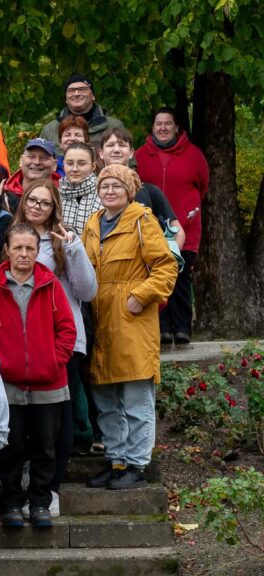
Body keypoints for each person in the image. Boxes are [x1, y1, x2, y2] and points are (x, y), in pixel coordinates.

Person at [81, 165, 177, 490]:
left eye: (116, 186)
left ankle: (137, 464)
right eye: (104, 185)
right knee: (106, 398)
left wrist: (141, 295)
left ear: (129, 190)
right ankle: (116, 460)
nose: (109, 191)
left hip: (132, 319)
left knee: (136, 399)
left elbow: (166, 266)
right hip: (100, 319)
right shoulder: (92, 224)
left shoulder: (142, 220)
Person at [0, 223, 76, 529]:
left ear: (37, 251)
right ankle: (10, 502)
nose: (24, 254)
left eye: (30, 248)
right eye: (18, 247)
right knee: (11, 447)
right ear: (7, 249)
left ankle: (40, 504)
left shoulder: (50, 285)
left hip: (49, 384)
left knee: (45, 447)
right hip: (6, 385)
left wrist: (53, 361)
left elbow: (67, 330)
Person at [11, 179, 98, 505]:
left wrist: (74, 250)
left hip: (62, 340)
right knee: (23, 417)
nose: (36, 206)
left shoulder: (65, 239)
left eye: (44, 202)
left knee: (59, 418)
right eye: (32, 199)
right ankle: (25, 480)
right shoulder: (14, 237)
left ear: (53, 208)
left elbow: (88, 291)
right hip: (20, 342)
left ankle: (51, 489)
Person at [135, 107, 209, 345]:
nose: (163, 128)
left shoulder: (194, 154)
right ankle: (163, 328)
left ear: (177, 127)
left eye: (168, 124)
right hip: (151, 228)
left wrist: (188, 211)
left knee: (181, 277)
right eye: (159, 124)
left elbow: (203, 184)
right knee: (156, 274)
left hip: (184, 226)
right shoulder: (141, 155)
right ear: (153, 127)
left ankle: (183, 328)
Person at [99, 127, 186, 253]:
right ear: (101, 153)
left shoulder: (150, 191)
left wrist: (168, 264)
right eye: (110, 145)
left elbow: (178, 231)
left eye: (122, 145)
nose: (116, 150)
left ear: (131, 152)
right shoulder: (93, 191)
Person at [40, 74, 125, 154]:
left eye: (82, 89)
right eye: (71, 90)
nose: (76, 94)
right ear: (66, 98)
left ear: (93, 96)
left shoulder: (114, 126)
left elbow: (129, 165)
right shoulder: (50, 130)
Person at [3, 138, 59, 208]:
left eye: (44, 158)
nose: (37, 162)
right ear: (21, 160)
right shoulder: (4, 198)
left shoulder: (63, 196)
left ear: (54, 165)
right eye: (31, 157)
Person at [59, 143, 102, 233]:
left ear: (93, 166)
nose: (74, 169)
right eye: (70, 163)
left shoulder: (103, 194)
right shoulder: (56, 194)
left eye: (81, 164)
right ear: (63, 165)